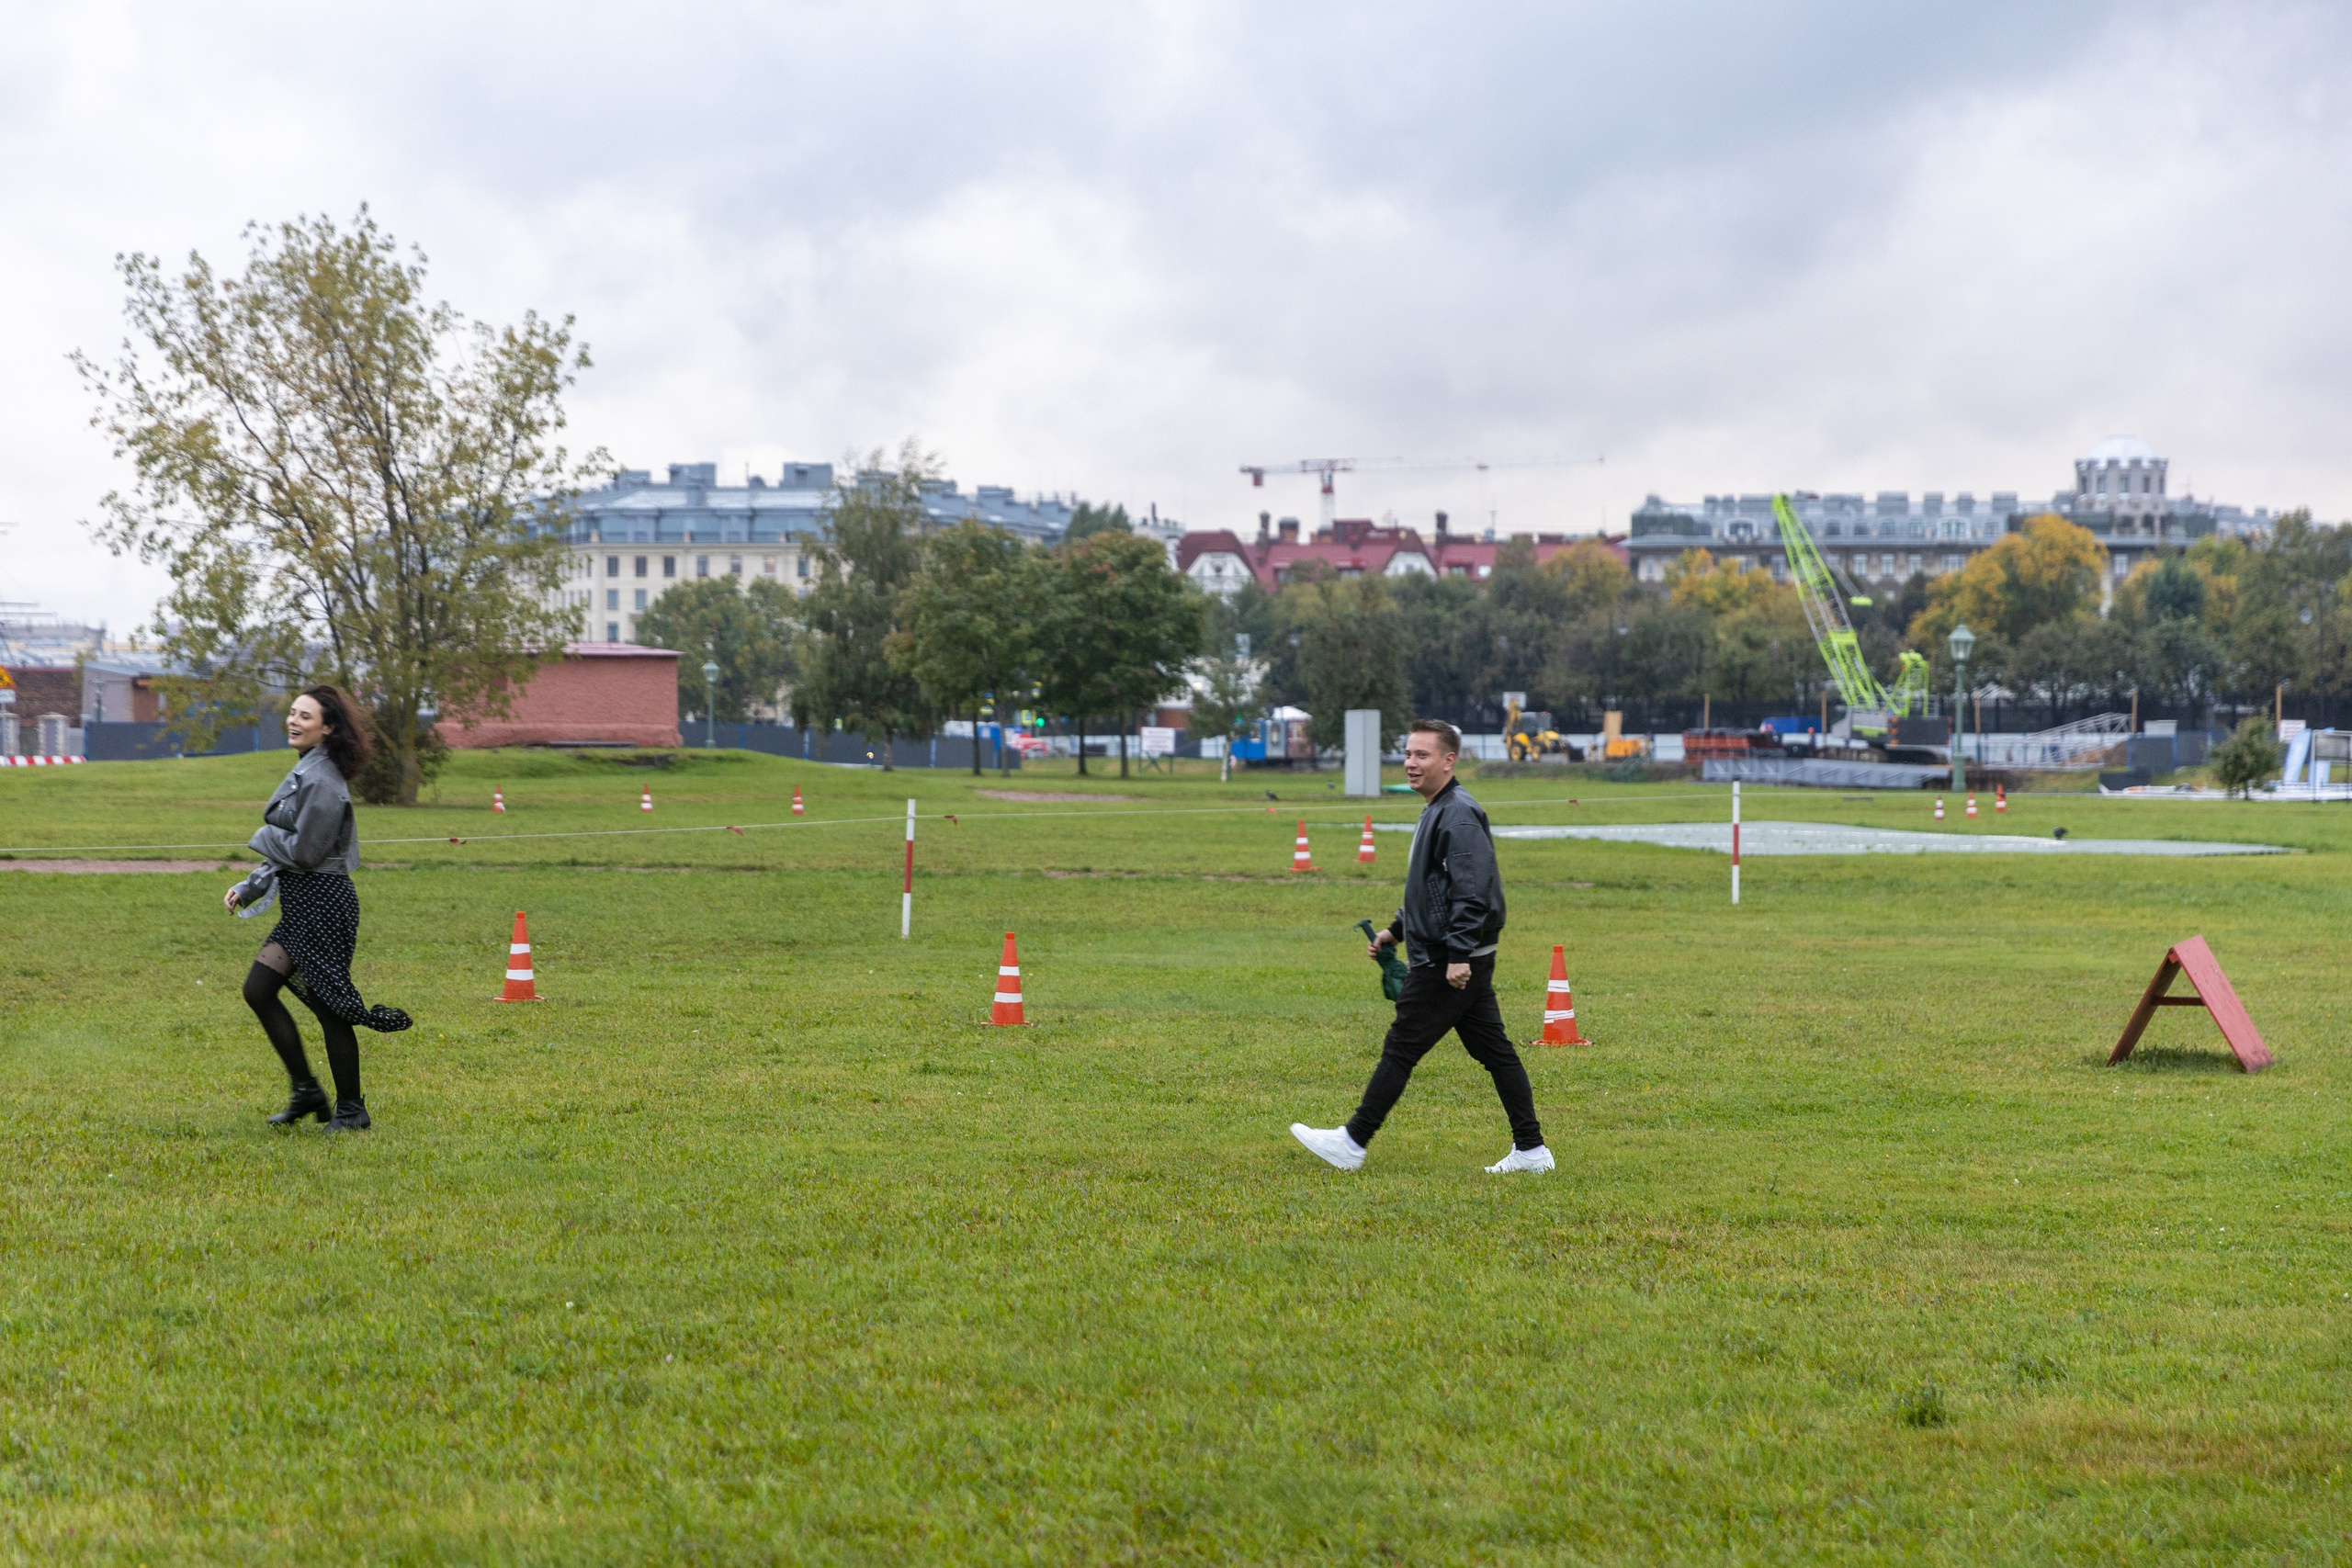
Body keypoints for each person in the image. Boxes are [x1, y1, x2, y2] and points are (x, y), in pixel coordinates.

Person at [1291, 718, 1554, 1174]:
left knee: (1401, 1047)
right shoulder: (1438, 807)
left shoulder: (1457, 814)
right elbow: (1433, 888)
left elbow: (1471, 894)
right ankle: (1531, 1151)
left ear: (1448, 761)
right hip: (1455, 954)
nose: (1410, 763)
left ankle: (1352, 1142)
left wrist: (1456, 957)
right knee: (1495, 1052)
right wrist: (1395, 930)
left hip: (1449, 961)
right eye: (1408, 754)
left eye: (1422, 755)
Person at [224, 686, 411, 1131]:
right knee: (259, 990)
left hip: (324, 903)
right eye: (291, 713)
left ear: (326, 728)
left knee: (328, 1007)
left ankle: (351, 1110)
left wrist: (260, 836)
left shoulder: (324, 780)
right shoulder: (311, 769)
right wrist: (252, 885)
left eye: (304, 716)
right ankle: (307, 1092)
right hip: (303, 901)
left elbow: (305, 851)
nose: (293, 721)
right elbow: (291, 853)